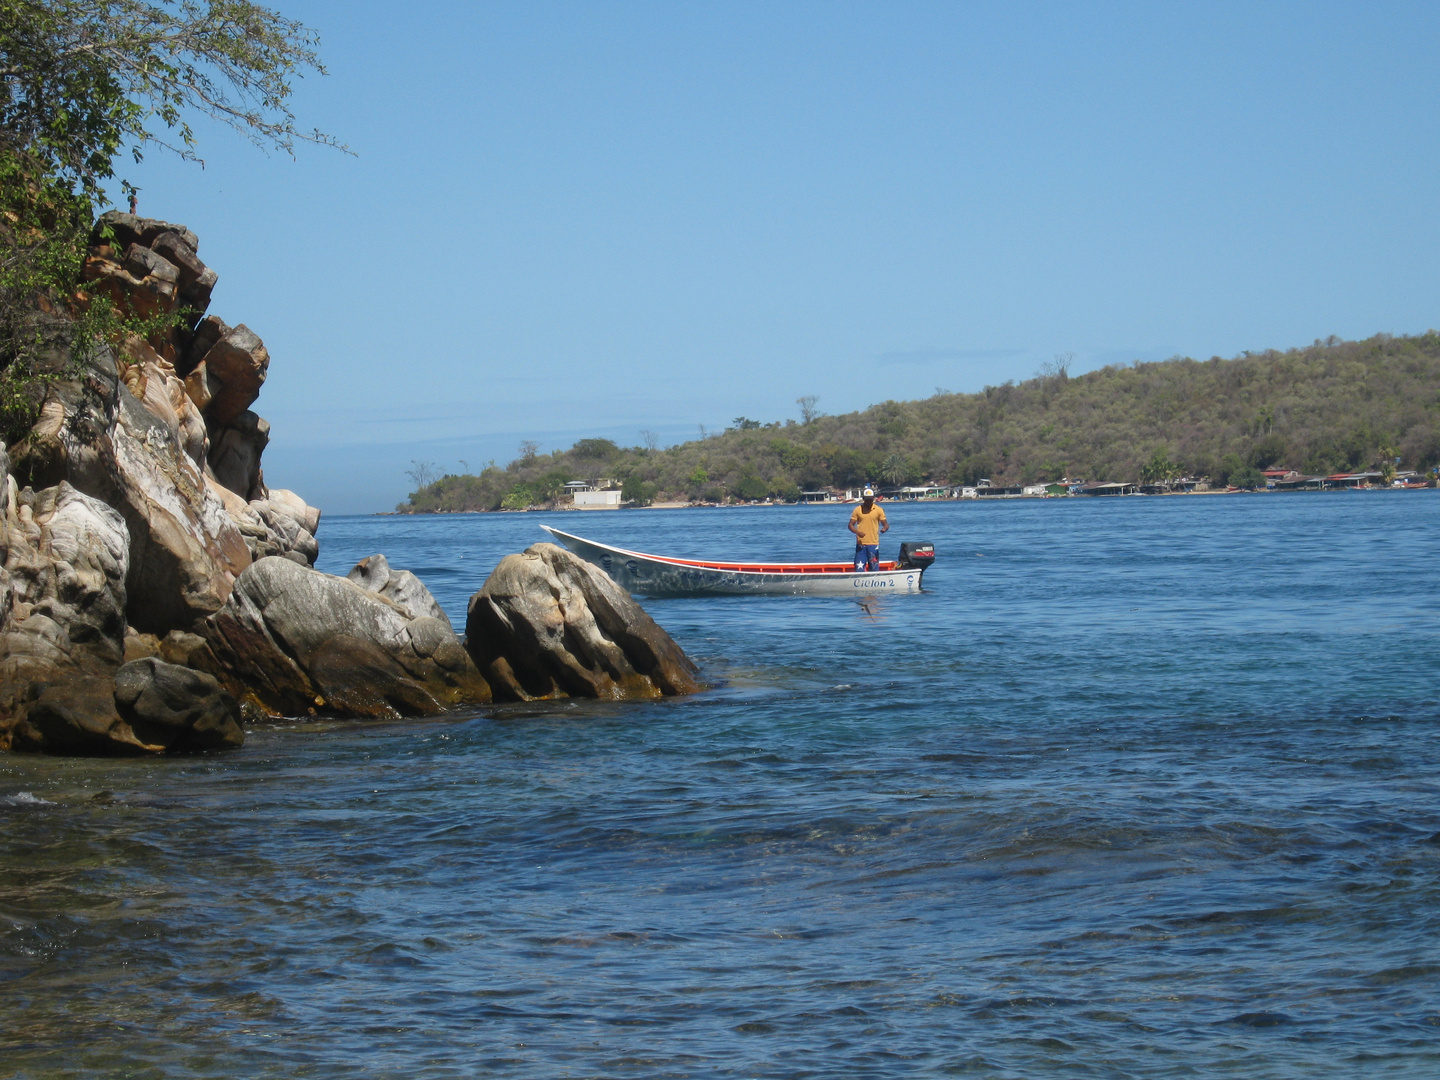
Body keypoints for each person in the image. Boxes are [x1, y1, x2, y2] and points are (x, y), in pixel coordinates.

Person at [848, 487, 889, 571]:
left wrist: (884, 528)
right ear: (863, 499)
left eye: (871, 500)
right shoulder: (858, 510)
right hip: (861, 544)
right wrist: (857, 532)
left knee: (874, 567)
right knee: (859, 568)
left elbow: (885, 524)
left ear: (873, 499)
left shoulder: (878, 510)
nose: (869, 502)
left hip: (873, 543)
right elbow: (850, 525)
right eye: (867, 500)